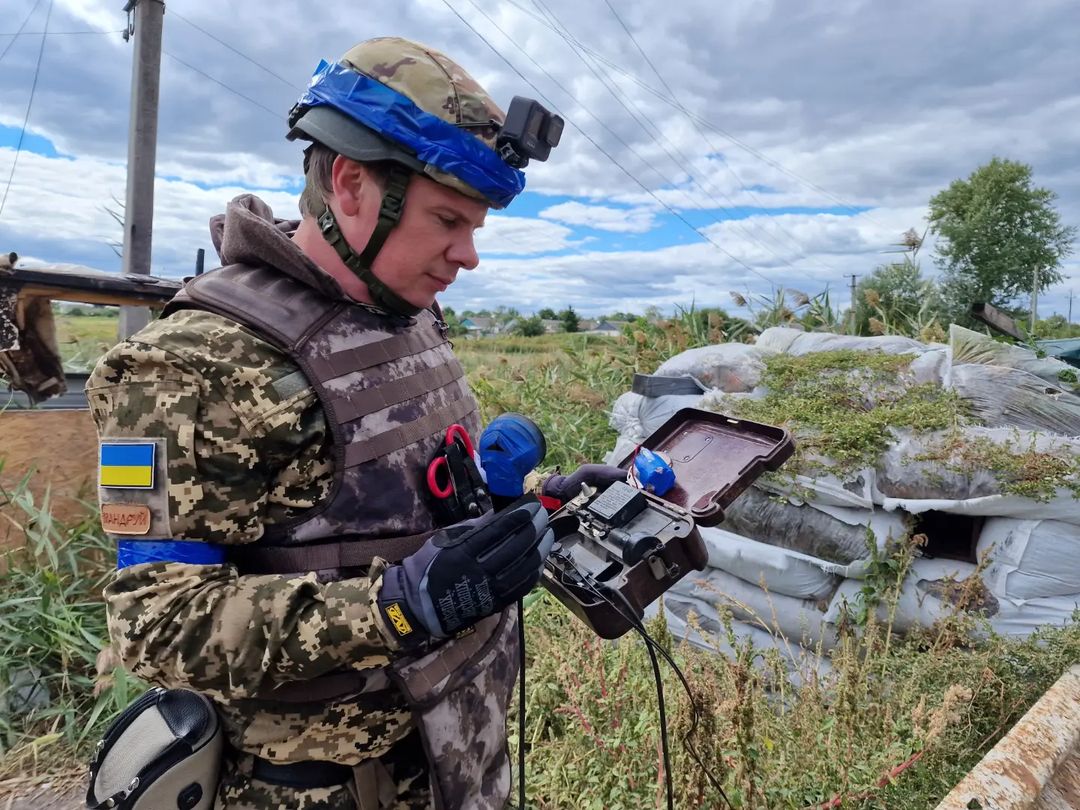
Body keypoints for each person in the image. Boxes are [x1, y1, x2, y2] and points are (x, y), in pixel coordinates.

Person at [87, 36, 617, 810]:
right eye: (446, 220)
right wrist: (400, 606)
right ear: (350, 184)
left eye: (475, 226)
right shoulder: (189, 366)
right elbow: (157, 624)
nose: (467, 254)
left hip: (453, 756)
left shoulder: (404, 312)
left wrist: (530, 504)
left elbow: (411, 498)